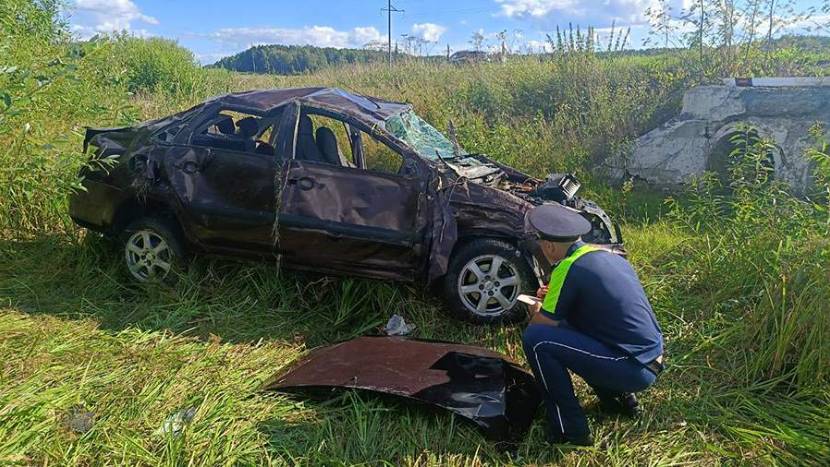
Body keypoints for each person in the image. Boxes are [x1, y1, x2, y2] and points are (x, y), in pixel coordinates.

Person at [522, 204, 664, 446]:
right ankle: (619, 401)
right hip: (649, 359)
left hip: (630, 367)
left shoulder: (567, 267)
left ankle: (570, 430)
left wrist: (534, 311)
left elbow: (542, 323)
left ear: (549, 246)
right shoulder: (608, 257)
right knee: (568, 326)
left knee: (536, 339)